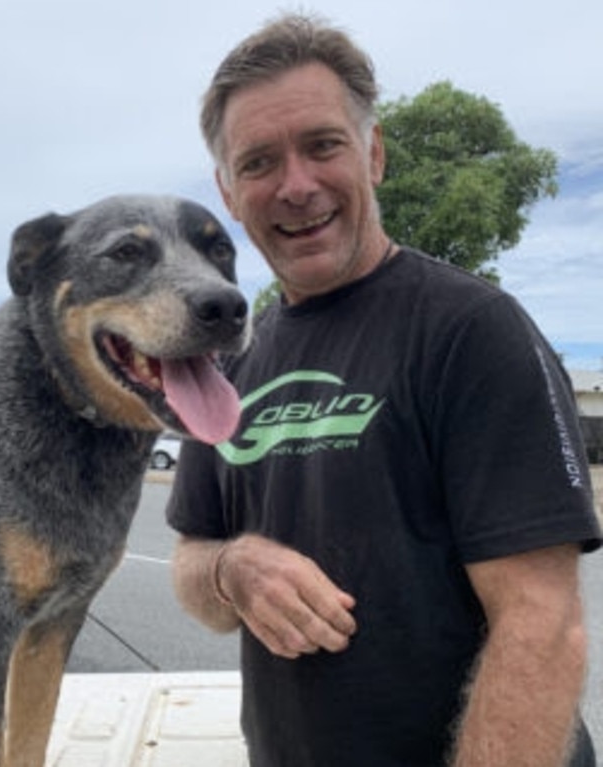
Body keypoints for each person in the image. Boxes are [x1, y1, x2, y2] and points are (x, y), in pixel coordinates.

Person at [167, 13, 602, 767]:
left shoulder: (473, 329)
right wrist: (233, 568)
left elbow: (544, 624)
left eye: (323, 145)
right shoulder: (235, 359)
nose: (296, 185)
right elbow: (191, 571)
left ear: (373, 153)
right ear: (229, 193)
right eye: (260, 161)